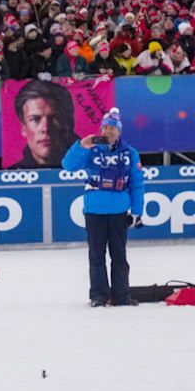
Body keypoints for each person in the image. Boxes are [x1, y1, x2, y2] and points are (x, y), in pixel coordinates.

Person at [62, 107, 145, 307]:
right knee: (96, 255)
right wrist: (81, 145)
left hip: (118, 212)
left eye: (112, 128)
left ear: (119, 131)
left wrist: (137, 211)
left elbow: (137, 184)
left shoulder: (130, 153)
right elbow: (68, 165)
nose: (108, 131)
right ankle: (98, 295)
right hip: (95, 211)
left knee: (119, 256)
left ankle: (121, 296)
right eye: (105, 127)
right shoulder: (91, 150)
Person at [7, 80, 77, 169]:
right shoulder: (11, 174)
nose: (45, 128)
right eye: (35, 119)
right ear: (23, 127)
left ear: (68, 122)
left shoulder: (91, 167)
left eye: (53, 118)